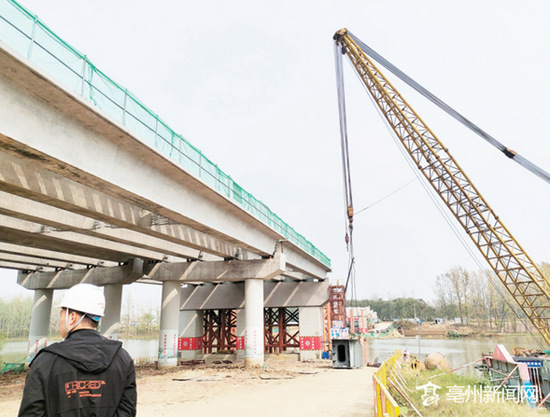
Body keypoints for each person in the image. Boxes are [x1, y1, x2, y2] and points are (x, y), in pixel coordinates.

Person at [18, 283, 137, 416]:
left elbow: (31, 413)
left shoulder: (46, 361)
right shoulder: (122, 358)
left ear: (72, 317)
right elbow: (127, 411)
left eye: (62, 315)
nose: (60, 320)